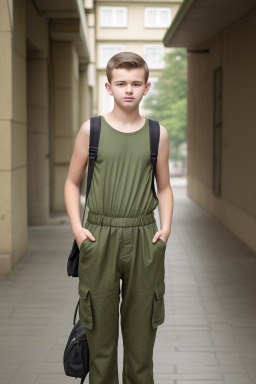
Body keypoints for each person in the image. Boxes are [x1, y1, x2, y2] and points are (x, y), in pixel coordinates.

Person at [64, 51, 174, 384]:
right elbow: (71, 182)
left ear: (147, 87)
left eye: (136, 83)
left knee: (142, 345)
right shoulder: (91, 130)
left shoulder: (158, 134)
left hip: (144, 237)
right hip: (98, 237)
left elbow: (165, 188)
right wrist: (79, 231)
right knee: (100, 343)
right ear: (109, 86)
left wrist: (165, 230)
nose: (129, 89)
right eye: (121, 83)